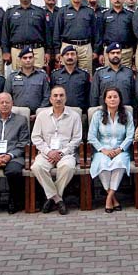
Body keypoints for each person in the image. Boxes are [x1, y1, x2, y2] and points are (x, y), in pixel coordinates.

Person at [30, 85, 82, 215]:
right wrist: (48, 151)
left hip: (66, 153)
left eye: (61, 95)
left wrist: (62, 152)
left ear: (66, 98)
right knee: (37, 167)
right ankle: (58, 199)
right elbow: (36, 137)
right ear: (50, 99)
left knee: (68, 167)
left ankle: (51, 198)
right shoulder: (42, 116)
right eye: (55, 96)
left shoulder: (74, 116)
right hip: (46, 153)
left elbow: (76, 139)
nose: (58, 98)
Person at [87, 87, 135, 213]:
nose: (112, 99)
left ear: (120, 99)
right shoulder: (98, 115)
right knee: (102, 165)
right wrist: (103, 150)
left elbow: (130, 136)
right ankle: (113, 199)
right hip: (103, 150)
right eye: (109, 97)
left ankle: (109, 197)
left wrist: (120, 149)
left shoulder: (127, 114)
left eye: (115, 97)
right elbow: (91, 136)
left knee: (119, 164)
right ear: (105, 100)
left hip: (121, 150)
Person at [1, 0, 49, 73]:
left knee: (38, 77)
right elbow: (5, 33)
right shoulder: (10, 12)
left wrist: (48, 52)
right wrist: (5, 51)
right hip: (17, 50)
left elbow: (47, 33)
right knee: (18, 79)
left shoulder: (40, 12)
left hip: (37, 50)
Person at [53, 0, 99, 74]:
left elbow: (95, 32)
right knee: (66, 73)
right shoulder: (63, 11)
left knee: (86, 75)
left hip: (85, 47)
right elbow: (57, 32)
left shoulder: (89, 11)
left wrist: (96, 50)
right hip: (67, 46)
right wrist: (57, 51)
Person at [5, 47, 51, 114]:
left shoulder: (42, 76)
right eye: (25, 58)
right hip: (17, 115)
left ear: (34, 59)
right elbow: (7, 97)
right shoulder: (12, 77)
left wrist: (39, 113)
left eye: (30, 57)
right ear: (20, 60)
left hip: (38, 115)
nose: (28, 60)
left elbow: (47, 96)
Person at [90, 42, 135, 108]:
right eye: (112, 53)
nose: (115, 55)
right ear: (107, 55)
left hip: (125, 110)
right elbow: (94, 95)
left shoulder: (128, 72)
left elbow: (133, 95)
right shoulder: (99, 73)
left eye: (118, 53)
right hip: (104, 110)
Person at [98, 0, 134, 66]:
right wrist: (100, 53)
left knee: (126, 76)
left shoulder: (131, 15)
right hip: (109, 51)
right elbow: (100, 34)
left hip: (126, 52)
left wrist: (134, 52)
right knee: (108, 76)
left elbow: (134, 35)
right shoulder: (104, 14)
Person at [50, 45, 91, 112]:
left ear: (77, 57)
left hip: (79, 112)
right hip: (60, 111)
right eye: (67, 54)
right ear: (62, 57)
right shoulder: (55, 75)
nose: (70, 57)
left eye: (72, 54)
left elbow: (88, 96)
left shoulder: (84, 75)